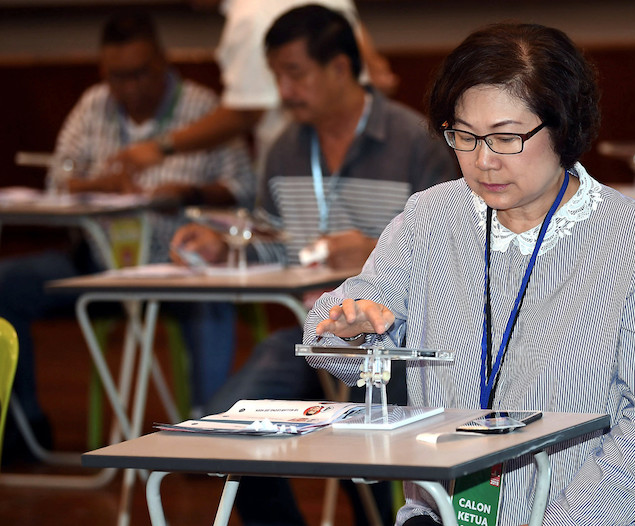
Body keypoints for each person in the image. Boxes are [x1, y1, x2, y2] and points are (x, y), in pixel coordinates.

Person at [307, 23, 635, 526]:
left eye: (506, 137)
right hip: (446, 513)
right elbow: (338, 342)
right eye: (464, 136)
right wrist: (347, 328)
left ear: (563, 127)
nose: (483, 160)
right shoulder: (431, 218)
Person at [170, 5, 456, 525]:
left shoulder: (416, 142)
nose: (284, 89)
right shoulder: (283, 150)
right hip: (313, 335)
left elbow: (453, 249)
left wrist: (373, 248)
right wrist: (223, 244)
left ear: (341, 69)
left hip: (395, 341)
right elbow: (275, 243)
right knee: (226, 433)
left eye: (295, 73)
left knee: (371, 436)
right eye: (277, 74)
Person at [0, 11, 254, 461]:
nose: (130, 87)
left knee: (211, 298)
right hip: (95, 262)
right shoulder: (92, 104)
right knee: (6, 283)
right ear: (104, 73)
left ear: (163, 63)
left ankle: (213, 433)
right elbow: (58, 179)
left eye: (140, 74)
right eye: (118, 77)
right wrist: (95, 185)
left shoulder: (206, 109)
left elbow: (242, 187)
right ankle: (22, 428)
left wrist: (185, 193)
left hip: (179, 265)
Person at [110, 0, 398, 188]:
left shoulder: (250, 16)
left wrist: (161, 147)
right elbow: (381, 76)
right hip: (369, 151)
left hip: (303, 169)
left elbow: (245, 112)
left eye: (294, 73)